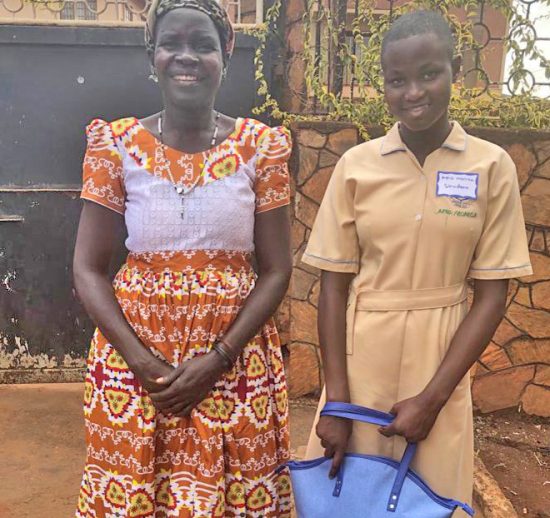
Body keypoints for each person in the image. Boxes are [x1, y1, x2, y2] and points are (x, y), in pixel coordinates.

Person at [301, 10, 532, 515]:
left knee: (431, 501)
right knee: (345, 499)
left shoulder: (491, 167)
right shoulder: (356, 167)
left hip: (441, 361)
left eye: (429, 74)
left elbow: (492, 295)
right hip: (361, 359)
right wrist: (336, 401)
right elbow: (334, 287)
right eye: (397, 80)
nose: (414, 92)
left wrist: (433, 399)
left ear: (456, 68)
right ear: (382, 86)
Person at [73, 0, 293, 515]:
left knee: (234, 494)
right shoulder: (115, 146)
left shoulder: (261, 147)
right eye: (172, 44)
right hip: (135, 373)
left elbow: (277, 268)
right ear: (153, 54)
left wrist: (218, 359)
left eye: (203, 45)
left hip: (235, 367)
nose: (186, 57)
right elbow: (88, 267)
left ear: (226, 53)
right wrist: (143, 363)